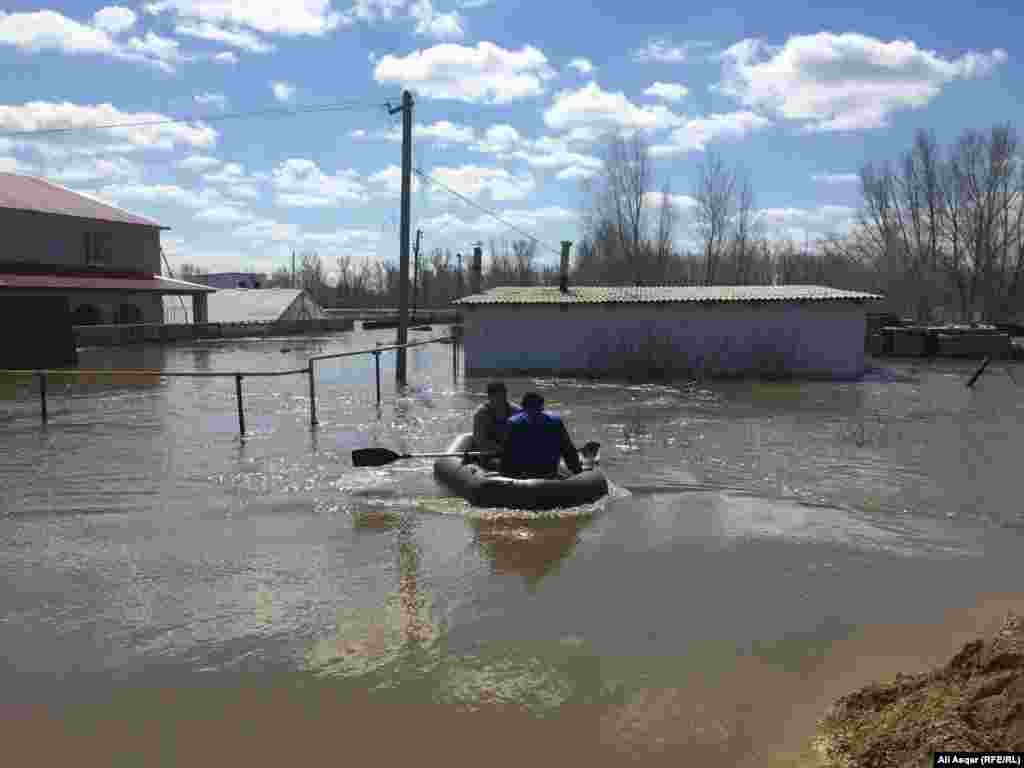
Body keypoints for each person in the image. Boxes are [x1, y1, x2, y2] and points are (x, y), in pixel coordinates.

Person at [501, 392, 583, 479]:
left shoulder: (513, 422)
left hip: (523, 473)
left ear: (523, 407)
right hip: (549, 471)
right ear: (542, 406)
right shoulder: (555, 421)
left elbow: (507, 452)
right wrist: (577, 471)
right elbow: (568, 450)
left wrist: (505, 476)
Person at [473, 381, 521, 468]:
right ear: (490, 397)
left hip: (511, 451)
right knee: (502, 464)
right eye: (498, 397)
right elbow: (480, 440)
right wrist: (501, 449)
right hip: (490, 454)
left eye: (504, 396)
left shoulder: (516, 411)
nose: (502, 400)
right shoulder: (482, 414)